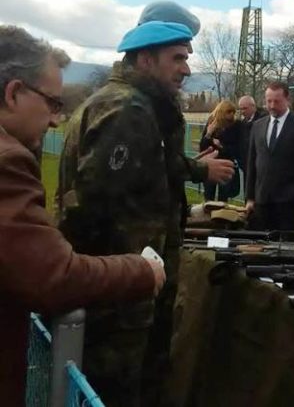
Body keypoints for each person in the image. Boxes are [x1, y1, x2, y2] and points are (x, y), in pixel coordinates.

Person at [57, 21, 235, 407]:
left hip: (115, 283)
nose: (186, 69)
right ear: (145, 59)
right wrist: (110, 278)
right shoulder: (129, 109)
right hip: (118, 297)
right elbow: (93, 205)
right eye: (177, 58)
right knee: (113, 389)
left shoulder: (122, 101)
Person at [0, 24, 165, 406]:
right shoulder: (8, 162)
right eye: (52, 103)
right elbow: (54, 277)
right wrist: (143, 271)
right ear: (13, 93)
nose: (56, 120)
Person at [245, 81, 294, 240]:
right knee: (260, 247)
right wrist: (250, 197)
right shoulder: (257, 126)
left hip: (290, 205)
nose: (272, 105)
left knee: (288, 248)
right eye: (269, 101)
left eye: (277, 101)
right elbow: (252, 163)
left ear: (287, 99)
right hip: (262, 202)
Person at [200, 101, 241, 202]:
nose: (232, 114)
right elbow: (203, 147)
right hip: (211, 163)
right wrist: (208, 134)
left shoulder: (236, 125)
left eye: (233, 112)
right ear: (222, 111)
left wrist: (221, 146)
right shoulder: (212, 122)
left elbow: (237, 147)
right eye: (229, 111)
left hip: (225, 163)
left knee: (224, 195)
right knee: (208, 194)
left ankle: (221, 211)